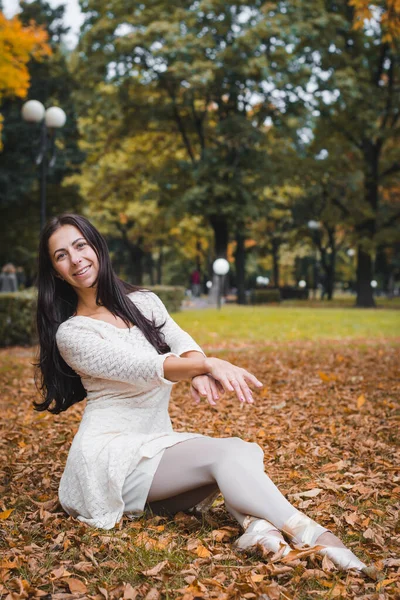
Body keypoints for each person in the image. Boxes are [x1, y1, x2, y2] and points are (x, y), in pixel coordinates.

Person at [34, 214, 374, 577]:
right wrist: (207, 366)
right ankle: (317, 535)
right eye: (61, 255)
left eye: (80, 246)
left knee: (238, 456)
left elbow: (185, 348)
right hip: (109, 458)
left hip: (155, 444)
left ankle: (260, 530)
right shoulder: (73, 333)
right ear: (56, 271)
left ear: (97, 246)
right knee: (227, 454)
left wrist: (198, 365)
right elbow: (149, 366)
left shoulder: (144, 302)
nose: (75, 259)